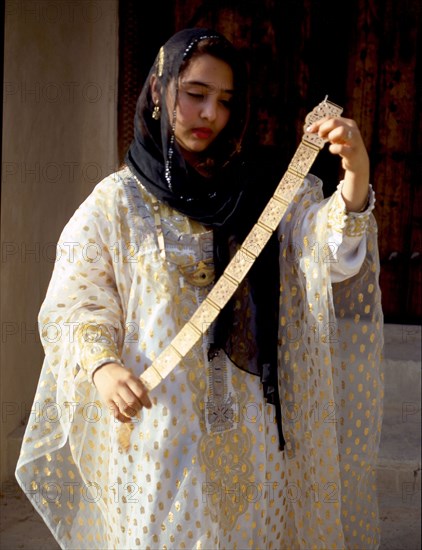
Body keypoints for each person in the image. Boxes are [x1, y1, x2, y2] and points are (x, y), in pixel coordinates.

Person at [16, 27, 384, 550]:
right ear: (160, 91)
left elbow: (327, 255)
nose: (210, 113)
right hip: (157, 429)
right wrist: (101, 364)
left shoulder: (266, 191)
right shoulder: (117, 203)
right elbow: (76, 299)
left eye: (226, 101)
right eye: (195, 94)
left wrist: (355, 176)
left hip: (251, 428)